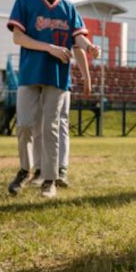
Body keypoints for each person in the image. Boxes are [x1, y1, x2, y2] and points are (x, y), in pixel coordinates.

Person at [6, 0, 100, 198]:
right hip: (30, 73)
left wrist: (90, 47)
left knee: (51, 127)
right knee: (25, 125)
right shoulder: (26, 1)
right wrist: (49, 47)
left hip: (57, 76)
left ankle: (50, 180)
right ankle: (25, 170)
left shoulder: (68, 9)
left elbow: (78, 38)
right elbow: (18, 38)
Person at [29, 48, 91, 188]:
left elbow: (78, 45)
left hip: (61, 80)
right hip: (37, 78)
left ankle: (61, 170)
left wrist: (86, 76)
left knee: (61, 123)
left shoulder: (68, 25)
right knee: (38, 124)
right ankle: (40, 170)